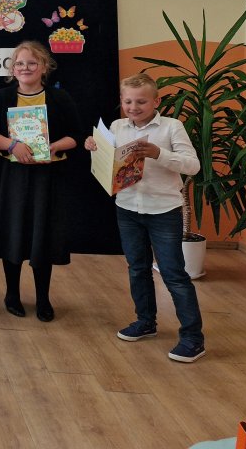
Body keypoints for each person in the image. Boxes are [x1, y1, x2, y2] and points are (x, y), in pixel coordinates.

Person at [84, 73, 205, 362]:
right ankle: (146, 321)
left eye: (141, 101)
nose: (133, 107)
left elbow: (193, 166)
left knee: (174, 274)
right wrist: (94, 147)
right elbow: (109, 164)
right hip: (127, 208)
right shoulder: (116, 127)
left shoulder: (171, 127)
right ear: (121, 101)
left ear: (156, 101)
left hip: (164, 211)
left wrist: (158, 153)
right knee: (137, 268)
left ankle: (193, 338)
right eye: (128, 101)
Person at [0, 40, 81, 322]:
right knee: (13, 231)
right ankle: (12, 294)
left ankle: (43, 299)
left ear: (44, 67)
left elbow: (75, 135)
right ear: (13, 68)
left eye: (32, 63)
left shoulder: (59, 98)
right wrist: (13, 145)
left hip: (47, 178)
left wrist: (52, 147)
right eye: (20, 63)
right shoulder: (2, 97)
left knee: (42, 236)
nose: (25, 68)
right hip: (12, 177)